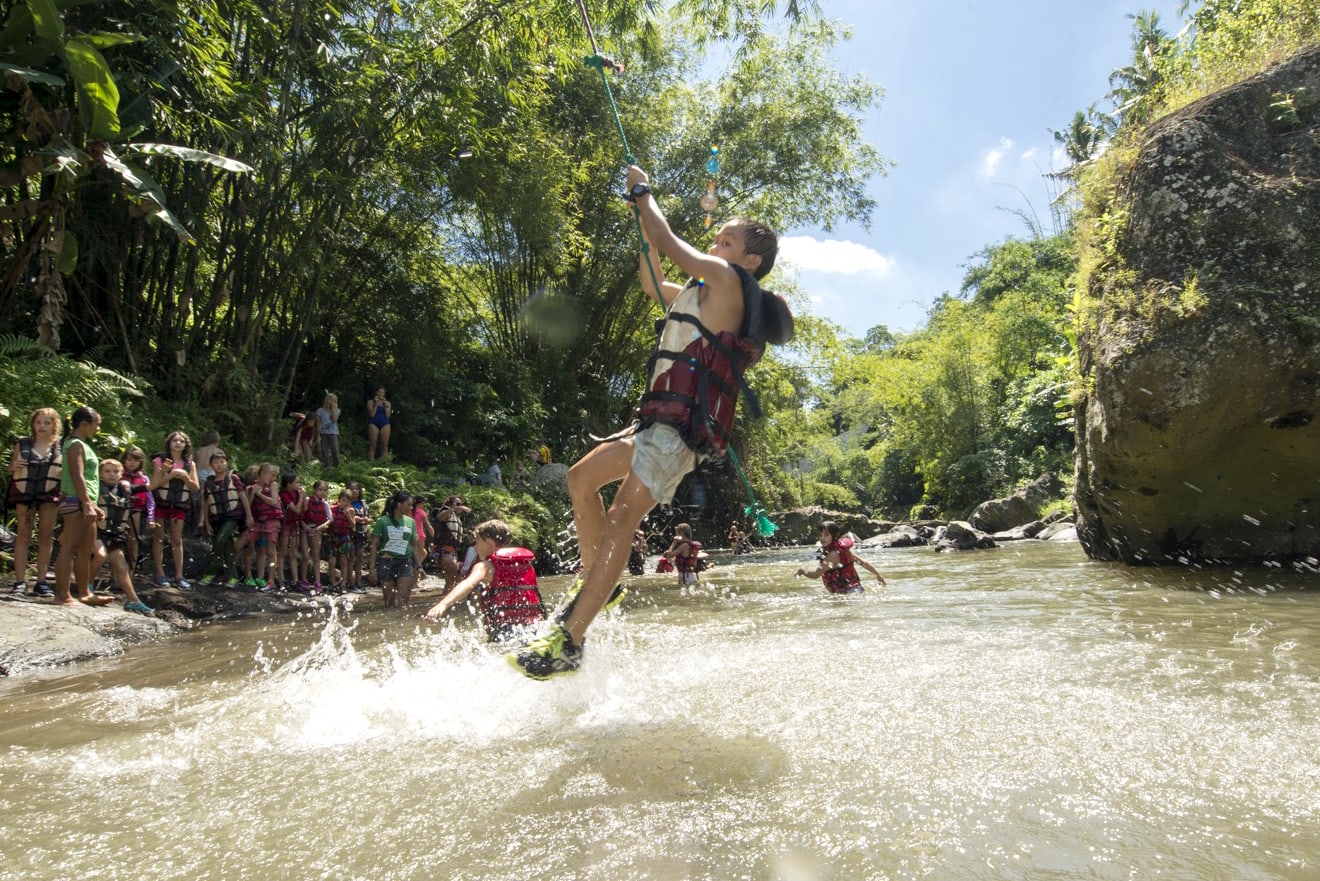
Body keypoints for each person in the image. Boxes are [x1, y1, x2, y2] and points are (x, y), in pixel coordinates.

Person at [507, 164, 792, 679]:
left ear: (750, 259)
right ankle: (602, 584)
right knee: (580, 478)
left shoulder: (728, 281)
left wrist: (643, 192)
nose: (717, 244)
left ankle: (570, 637)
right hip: (654, 423)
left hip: (680, 431)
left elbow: (666, 236)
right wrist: (644, 228)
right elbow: (651, 279)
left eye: (726, 240)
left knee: (622, 515)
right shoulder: (699, 293)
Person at [423, 519, 545, 642]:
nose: (475, 547)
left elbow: (468, 584)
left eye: (477, 542)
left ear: (489, 543)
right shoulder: (526, 565)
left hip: (504, 630)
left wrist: (443, 604)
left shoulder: (486, 566)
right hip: (535, 627)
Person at [53, 407, 112, 606]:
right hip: (76, 502)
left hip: (87, 503)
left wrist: (93, 506)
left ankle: (85, 592)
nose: (98, 428)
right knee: (69, 548)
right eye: (97, 424)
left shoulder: (84, 445)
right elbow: (77, 476)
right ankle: (62, 595)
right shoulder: (75, 445)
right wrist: (86, 503)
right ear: (85, 424)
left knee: (86, 550)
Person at [6, 407, 62, 596]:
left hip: (49, 495)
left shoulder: (60, 446)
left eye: (46, 422)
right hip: (25, 493)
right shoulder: (23, 444)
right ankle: (20, 582)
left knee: (46, 536)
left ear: (54, 424)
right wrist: (13, 466)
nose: (42, 426)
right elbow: (11, 469)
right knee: (23, 536)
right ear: (33, 424)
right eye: (38, 422)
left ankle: (41, 581)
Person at [93, 458, 154, 614]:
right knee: (100, 555)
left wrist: (162, 471)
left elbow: (151, 486)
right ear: (100, 474)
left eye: (115, 472)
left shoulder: (125, 489)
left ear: (121, 474)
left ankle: (133, 601)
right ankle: (86, 586)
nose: (111, 474)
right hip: (97, 532)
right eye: (107, 471)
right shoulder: (95, 488)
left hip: (115, 534)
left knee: (122, 567)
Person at [150, 431, 200, 589]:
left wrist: (185, 477)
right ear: (169, 442)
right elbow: (155, 484)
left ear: (186, 445)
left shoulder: (190, 464)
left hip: (179, 504)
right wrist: (171, 474)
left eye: (181, 441)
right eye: (175, 440)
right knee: (158, 537)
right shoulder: (160, 460)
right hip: (161, 502)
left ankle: (179, 575)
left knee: (177, 539)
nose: (178, 443)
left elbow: (195, 487)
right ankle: (160, 574)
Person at [200, 450, 251, 587]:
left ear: (227, 463)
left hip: (232, 517)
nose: (219, 465)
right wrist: (206, 522)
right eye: (215, 463)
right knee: (227, 547)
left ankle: (209, 573)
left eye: (222, 462)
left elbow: (243, 497)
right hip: (217, 518)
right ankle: (233, 578)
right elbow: (205, 503)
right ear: (211, 465)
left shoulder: (233, 479)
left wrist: (249, 515)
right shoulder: (208, 483)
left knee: (220, 539)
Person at [795, 521, 887, 593]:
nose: (822, 538)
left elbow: (815, 575)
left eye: (826, 535)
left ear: (835, 535)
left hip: (846, 594)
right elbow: (863, 563)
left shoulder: (832, 555)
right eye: (820, 535)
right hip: (856, 589)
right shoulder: (843, 550)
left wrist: (802, 571)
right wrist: (878, 575)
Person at [237, 462, 281, 590]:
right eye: (269, 474)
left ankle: (268, 580)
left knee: (269, 550)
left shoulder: (273, 485)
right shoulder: (251, 488)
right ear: (261, 474)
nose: (272, 477)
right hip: (256, 523)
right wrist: (253, 493)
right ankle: (246, 575)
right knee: (244, 546)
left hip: (271, 522)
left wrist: (259, 494)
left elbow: (273, 501)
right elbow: (248, 505)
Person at [370, 490, 416, 609]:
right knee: (389, 604)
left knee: (404, 603)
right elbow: (374, 545)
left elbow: (413, 545)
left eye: (412, 505)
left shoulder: (411, 522)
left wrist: (419, 566)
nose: (411, 508)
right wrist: (372, 569)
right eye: (408, 504)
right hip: (386, 562)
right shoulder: (383, 521)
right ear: (399, 504)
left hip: (405, 562)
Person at [121, 445, 154, 577]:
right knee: (118, 540)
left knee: (133, 540)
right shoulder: (118, 475)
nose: (132, 463)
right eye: (129, 459)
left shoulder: (144, 479)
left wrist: (151, 517)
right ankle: (116, 573)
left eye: (135, 460)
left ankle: (130, 571)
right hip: (120, 510)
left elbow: (150, 499)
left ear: (140, 462)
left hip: (137, 510)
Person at [432, 494, 470, 594]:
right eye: (457, 504)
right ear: (450, 504)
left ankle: (444, 601)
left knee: (450, 581)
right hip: (444, 551)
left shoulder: (454, 516)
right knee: (458, 576)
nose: (460, 506)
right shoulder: (446, 512)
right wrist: (453, 508)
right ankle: (459, 600)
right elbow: (440, 518)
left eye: (461, 504)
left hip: (451, 551)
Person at [276, 471, 307, 591]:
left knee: (294, 553)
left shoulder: (297, 493)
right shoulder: (284, 494)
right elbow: (296, 510)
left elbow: (304, 508)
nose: (299, 484)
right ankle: (281, 580)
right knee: (282, 552)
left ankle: (295, 580)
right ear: (289, 484)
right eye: (296, 482)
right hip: (285, 525)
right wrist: (300, 498)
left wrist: (302, 496)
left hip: (295, 525)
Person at [302, 479, 332, 593]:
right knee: (305, 555)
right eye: (320, 490)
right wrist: (304, 525)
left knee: (316, 556)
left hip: (317, 531)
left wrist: (320, 527)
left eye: (325, 490)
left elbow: (330, 519)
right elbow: (300, 515)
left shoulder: (325, 503)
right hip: (305, 530)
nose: (322, 492)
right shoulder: (307, 500)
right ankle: (303, 580)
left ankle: (317, 582)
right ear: (314, 490)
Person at [328, 488, 357, 592]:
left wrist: (347, 515)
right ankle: (332, 583)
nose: (345, 503)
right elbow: (328, 521)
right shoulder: (332, 508)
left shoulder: (351, 510)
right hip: (333, 537)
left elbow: (353, 525)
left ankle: (343, 584)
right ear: (339, 500)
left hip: (344, 537)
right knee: (332, 561)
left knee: (343, 561)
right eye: (343, 500)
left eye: (348, 501)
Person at [315, 393, 341, 468]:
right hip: (323, 433)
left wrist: (333, 409)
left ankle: (336, 466)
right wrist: (318, 435)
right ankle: (326, 467)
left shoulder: (337, 410)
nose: (332, 402)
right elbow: (318, 423)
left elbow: (334, 419)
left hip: (333, 433)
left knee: (335, 450)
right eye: (331, 400)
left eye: (334, 400)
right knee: (324, 450)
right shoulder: (320, 410)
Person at [366, 386, 392, 460]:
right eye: (380, 392)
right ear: (376, 392)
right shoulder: (370, 402)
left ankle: (384, 464)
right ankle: (371, 463)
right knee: (372, 445)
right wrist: (377, 404)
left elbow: (388, 415)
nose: (381, 394)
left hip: (385, 424)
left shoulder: (387, 403)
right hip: (374, 423)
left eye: (383, 393)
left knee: (384, 446)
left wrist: (385, 405)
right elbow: (372, 414)